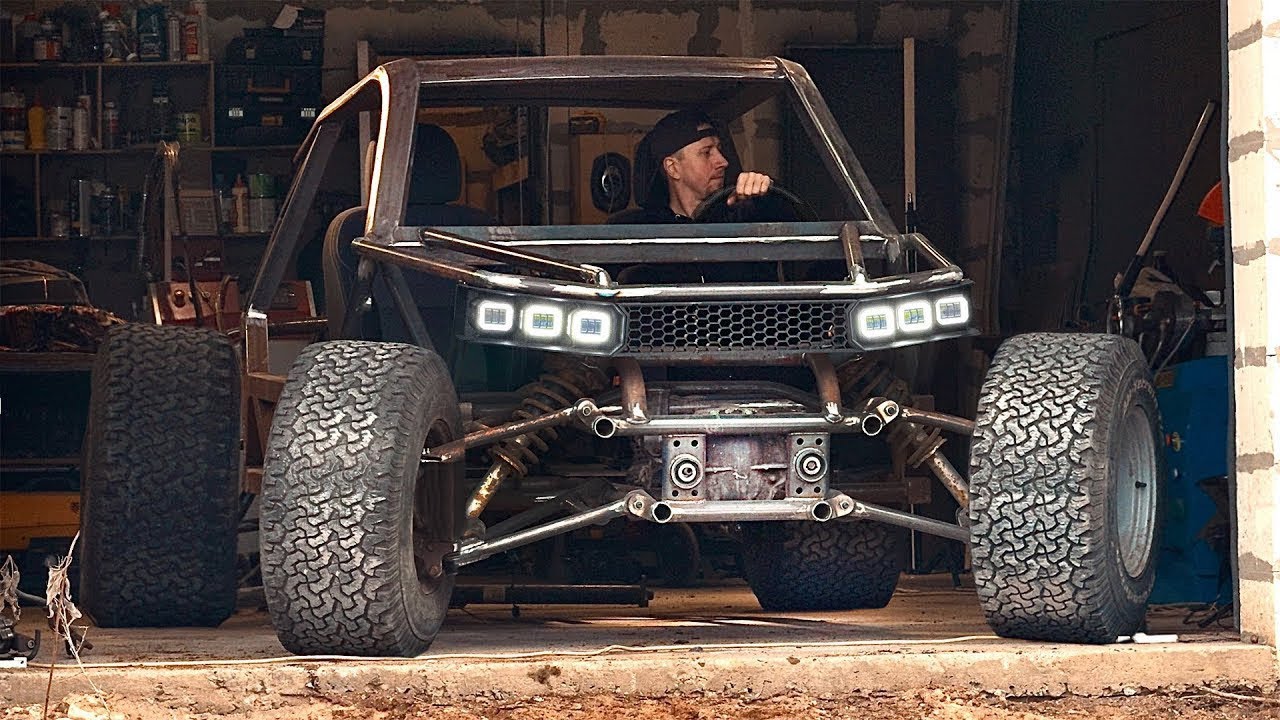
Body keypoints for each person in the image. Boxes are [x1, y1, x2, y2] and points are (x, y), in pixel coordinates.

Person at [607, 109, 774, 224]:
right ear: (673, 168)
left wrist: (766, 194)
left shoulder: (740, 216)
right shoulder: (640, 234)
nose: (723, 162)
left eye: (719, 150)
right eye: (707, 152)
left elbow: (792, 221)